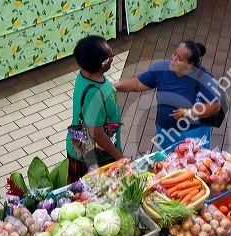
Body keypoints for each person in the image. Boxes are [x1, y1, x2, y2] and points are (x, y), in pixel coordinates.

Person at [114, 41, 221, 150]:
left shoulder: (204, 78)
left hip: (193, 134)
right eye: (174, 54)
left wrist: (189, 112)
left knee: (190, 164)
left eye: (179, 59)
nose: (173, 59)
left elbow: (215, 106)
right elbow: (137, 84)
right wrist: (115, 87)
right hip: (165, 132)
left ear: (190, 64)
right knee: (167, 163)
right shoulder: (161, 68)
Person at [66, 35, 123, 183]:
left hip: (94, 144)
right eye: (110, 55)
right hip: (92, 156)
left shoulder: (86, 73)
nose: (113, 55)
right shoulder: (94, 94)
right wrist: (118, 156)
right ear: (102, 63)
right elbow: (96, 132)